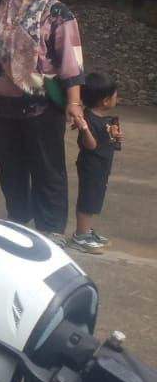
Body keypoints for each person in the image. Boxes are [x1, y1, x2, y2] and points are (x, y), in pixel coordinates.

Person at [0, 0, 87, 243]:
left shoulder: (58, 13)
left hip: (43, 104)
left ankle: (51, 229)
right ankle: (18, 220)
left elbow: (71, 62)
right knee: (10, 164)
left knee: (46, 166)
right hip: (3, 102)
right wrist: (5, 55)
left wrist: (74, 102)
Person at [70, 72, 121, 254]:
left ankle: (86, 231)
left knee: (94, 198)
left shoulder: (102, 118)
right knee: (88, 199)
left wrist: (114, 136)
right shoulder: (87, 119)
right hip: (92, 166)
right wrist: (84, 129)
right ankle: (80, 236)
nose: (117, 99)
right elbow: (90, 145)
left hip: (101, 166)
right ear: (105, 101)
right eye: (115, 97)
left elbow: (105, 139)